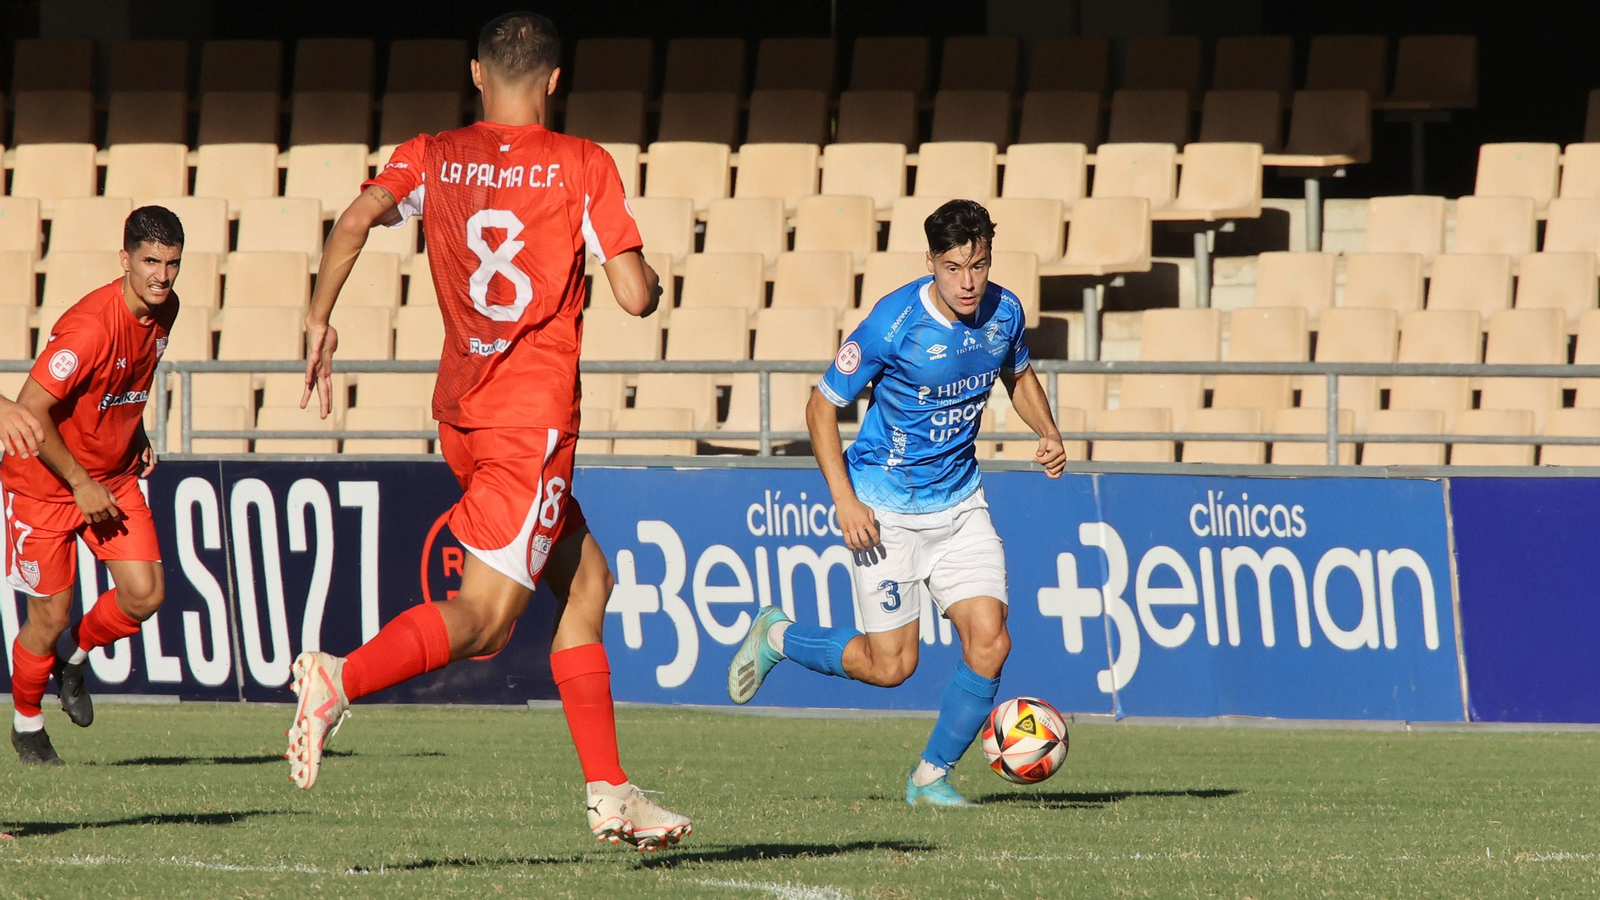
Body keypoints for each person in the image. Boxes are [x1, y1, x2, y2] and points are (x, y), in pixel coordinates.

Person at [285, 11, 691, 852]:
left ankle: (610, 791)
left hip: (464, 415)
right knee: (485, 620)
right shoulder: (582, 163)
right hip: (529, 423)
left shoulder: (431, 154)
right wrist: (652, 277)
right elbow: (634, 296)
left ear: (476, 73)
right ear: (555, 79)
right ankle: (339, 678)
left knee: (588, 583)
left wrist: (319, 318)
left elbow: (354, 221)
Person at [728, 200, 1068, 806]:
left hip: (961, 505)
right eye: (954, 267)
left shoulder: (1006, 312)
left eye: (979, 265)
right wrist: (845, 501)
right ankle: (779, 635)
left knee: (991, 642)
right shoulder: (893, 322)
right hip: (885, 512)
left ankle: (931, 779)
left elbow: (1017, 375)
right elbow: (820, 407)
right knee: (891, 667)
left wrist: (1048, 431)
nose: (968, 282)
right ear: (931, 261)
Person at [3, 207, 184, 765]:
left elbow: (128, 380)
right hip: (44, 486)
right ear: (125, 259)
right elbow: (29, 411)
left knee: (145, 594)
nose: (161, 276)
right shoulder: (89, 328)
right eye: (150, 262)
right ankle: (27, 723)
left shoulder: (166, 308)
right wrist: (80, 482)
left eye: (172, 264)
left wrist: (137, 430)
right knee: (48, 618)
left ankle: (75, 660)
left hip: (113, 476)